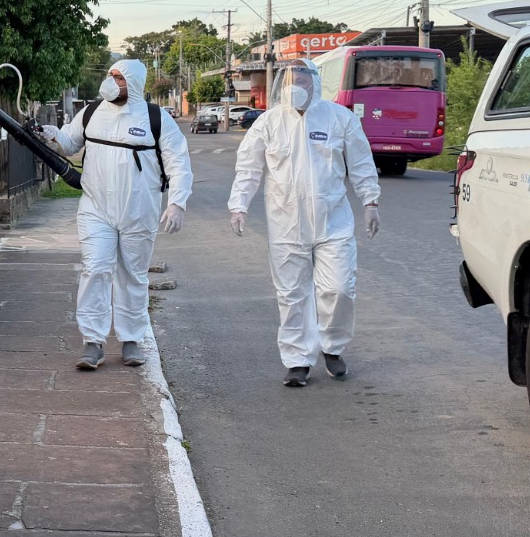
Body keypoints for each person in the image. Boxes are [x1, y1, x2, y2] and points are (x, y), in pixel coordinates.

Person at [226, 58, 380, 387]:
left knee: (339, 288)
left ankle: (333, 346)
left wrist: (371, 200)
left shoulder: (340, 119)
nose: (296, 86)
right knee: (292, 294)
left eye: (303, 79)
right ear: (283, 84)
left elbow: (361, 162)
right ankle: (298, 360)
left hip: (333, 222)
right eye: (290, 80)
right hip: (285, 224)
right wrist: (239, 205)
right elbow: (249, 168)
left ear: (314, 82)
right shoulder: (268, 123)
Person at [41, 59, 193, 370]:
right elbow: (70, 143)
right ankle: (93, 341)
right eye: (110, 75)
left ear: (134, 83)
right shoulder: (93, 112)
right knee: (95, 269)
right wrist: (52, 134)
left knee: (132, 275)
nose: (112, 82)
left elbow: (178, 161)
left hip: (140, 211)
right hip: (96, 208)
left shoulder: (156, 118)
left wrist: (177, 202)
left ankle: (131, 339)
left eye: (119, 78)